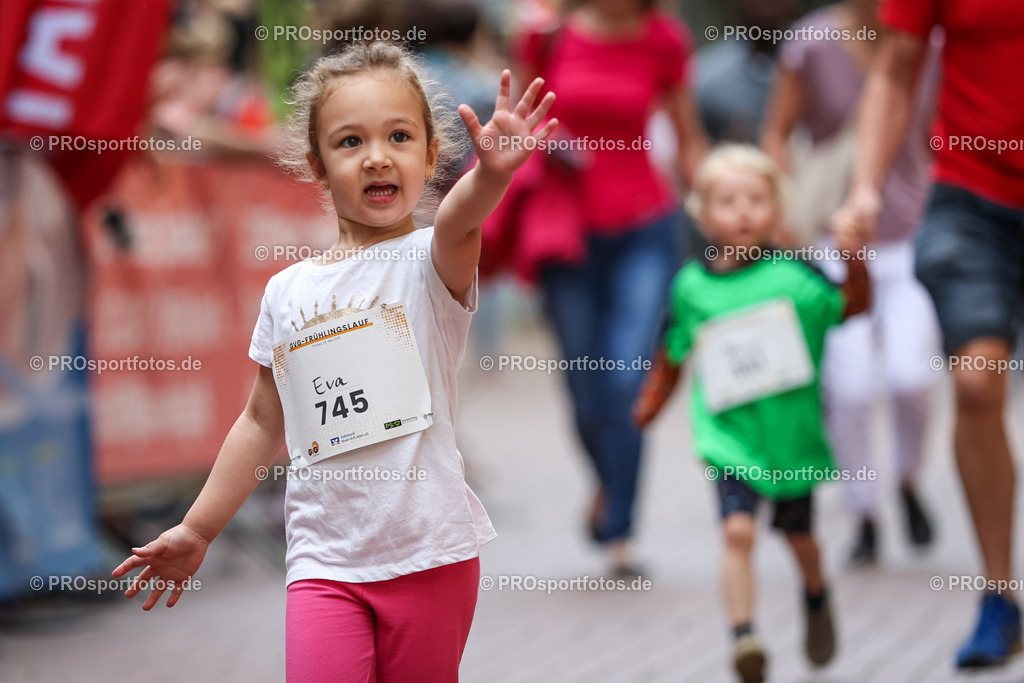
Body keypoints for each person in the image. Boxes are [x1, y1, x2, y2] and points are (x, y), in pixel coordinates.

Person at [112, 41, 558, 681]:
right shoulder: (287, 292)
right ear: (318, 165)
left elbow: (461, 221)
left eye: (399, 136)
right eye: (350, 142)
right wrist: (199, 528)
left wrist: (490, 176)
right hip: (325, 562)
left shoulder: (432, 263)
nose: (377, 155)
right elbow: (263, 421)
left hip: (429, 554)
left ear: (430, 156)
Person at [831, 0, 1024, 668]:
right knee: (975, 384)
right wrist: (864, 189)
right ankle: (1000, 593)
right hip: (972, 195)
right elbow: (895, 69)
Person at [633, 145, 870, 683]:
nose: (743, 211)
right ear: (703, 212)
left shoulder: (798, 275)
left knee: (799, 538)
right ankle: (745, 637)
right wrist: (649, 406)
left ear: (777, 210)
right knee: (737, 532)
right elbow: (672, 352)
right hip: (729, 438)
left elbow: (851, 307)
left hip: (790, 439)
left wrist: (856, 260)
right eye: (728, 200)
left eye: (757, 200)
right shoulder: (691, 287)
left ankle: (815, 590)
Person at [508, 0, 708, 576]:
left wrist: (725, 197)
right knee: (583, 386)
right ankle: (607, 478)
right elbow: (518, 123)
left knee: (624, 376)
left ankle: (620, 521)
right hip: (566, 231)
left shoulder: (664, 37)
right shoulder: (545, 37)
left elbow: (689, 137)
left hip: (645, 227)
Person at [761, 0, 940, 565]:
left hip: (915, 238)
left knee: (913, 376)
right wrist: (781, 212)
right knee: (851, 387)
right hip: (835, 242)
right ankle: (864, 512)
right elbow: (777, 134)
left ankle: (908, 478)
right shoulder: (811, 43)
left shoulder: (932, 42)